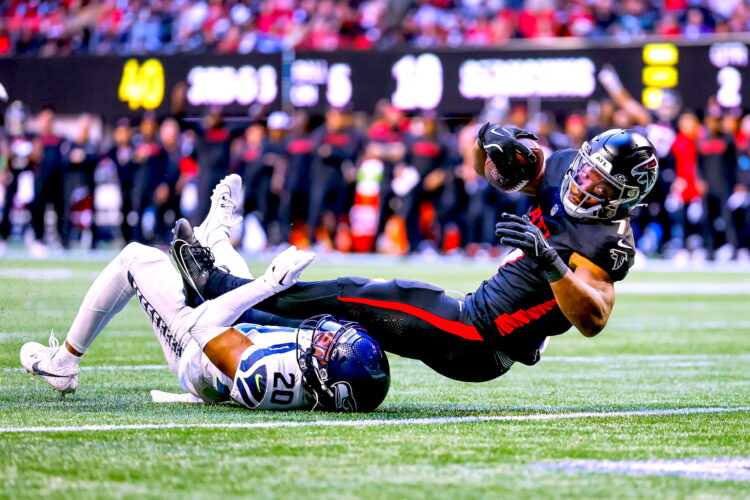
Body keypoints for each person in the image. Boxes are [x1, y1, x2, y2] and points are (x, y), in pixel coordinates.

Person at [174, 128, 659, 383]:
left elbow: (593, 319)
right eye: (587, 170)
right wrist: (489, 146)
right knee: (340, 324)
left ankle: (216, 286)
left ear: (626, 195)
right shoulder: (563, 168)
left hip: (475, 335)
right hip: (480, 325)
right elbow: (504, 173)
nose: (584, 182)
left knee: (351, 294)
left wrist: (550, 260)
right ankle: (225, 319)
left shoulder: (606, 240)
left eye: (600, 183)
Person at [19, 176, 390, 412]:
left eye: (328, 348)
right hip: (234, 335)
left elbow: (206, 324)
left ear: (325, 380)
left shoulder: (268, 375)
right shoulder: (318, 379)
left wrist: (268, 284)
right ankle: (216, 236)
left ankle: (62, 364)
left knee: (136, 257)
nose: (322, 339)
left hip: (195, 349)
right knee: (248, 296)